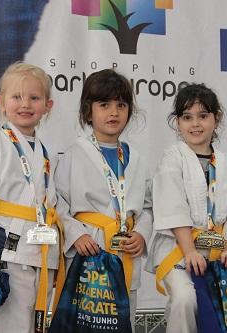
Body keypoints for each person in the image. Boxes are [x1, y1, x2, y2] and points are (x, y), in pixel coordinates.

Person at [0, 62, 64, 333]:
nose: (25, 104)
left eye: (34, 98)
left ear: (47, 106)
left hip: (42, 254)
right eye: (16, 97)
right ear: (1, 102)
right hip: (10, 254)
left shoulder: (43, 150)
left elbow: (50, 204)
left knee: (36, 327)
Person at [145, 83, 227, 333]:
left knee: (213, 310)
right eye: (187, 117)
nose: (195, 124)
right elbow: (172, 205)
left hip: (215, 252)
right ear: (177, 122)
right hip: (176, 248)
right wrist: (189, 251)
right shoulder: (172, 157)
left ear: (216, 119)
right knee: (185, 298)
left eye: (203, 116)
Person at [54, 68, 153, 330]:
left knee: (124, 320)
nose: (114, 112)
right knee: (86, 321)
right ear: (89, 111)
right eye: (104, 104)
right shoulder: (73, 154)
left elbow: (147, 206)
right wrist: (76, 234)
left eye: (121, 105)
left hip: (126, 251)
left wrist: (142, 233)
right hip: (90, 250)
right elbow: (57, 202)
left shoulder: (137, 158)